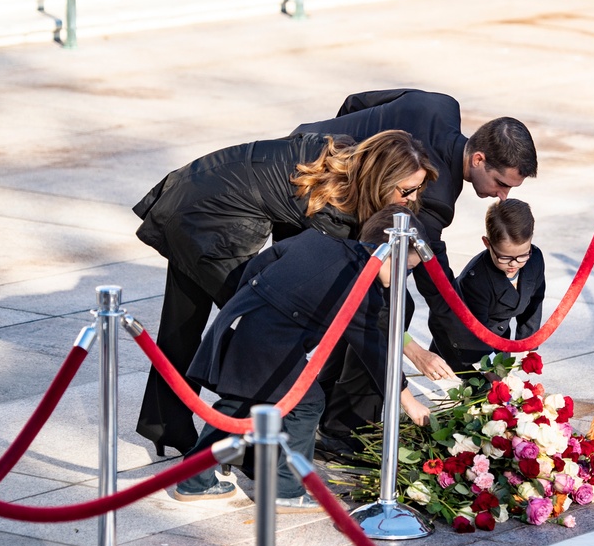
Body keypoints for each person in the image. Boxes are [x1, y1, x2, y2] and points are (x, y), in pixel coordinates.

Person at [132, 130, 437, 456]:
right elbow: (361, 311)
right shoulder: (335, 205)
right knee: (266, 331)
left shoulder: (349, 160)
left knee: (185, 324)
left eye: (419, 188)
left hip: (194, 194)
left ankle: (165, 423)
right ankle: (230, 445)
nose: (413, 199)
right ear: (380, 180)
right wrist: (405, 378)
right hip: (209, 220)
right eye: (406, 190)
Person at [174, 206, 432, 511]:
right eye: (406, 268)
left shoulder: (319, 241)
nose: (407, 276)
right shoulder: (361, 288)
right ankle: (285, 489)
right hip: (272, 339)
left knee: (240, 404)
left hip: (250, 319)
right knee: (306, 403)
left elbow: (260, 264)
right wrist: (409, 400)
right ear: (384, 252)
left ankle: (193, 480)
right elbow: (373, 351)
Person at [290, 89, 538, 374]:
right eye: (500, 183)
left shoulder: (441, 105)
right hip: (306, 196)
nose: (503, 196)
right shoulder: (435, 197)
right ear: (478, 159)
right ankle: (343, 410)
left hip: (300, 144)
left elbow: (355, 103)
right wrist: (475, 350)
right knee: (388, 307)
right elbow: (435, 281)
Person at [430, 199, 546, 373]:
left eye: (522, 255)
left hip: (498, 333)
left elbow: (534, 303)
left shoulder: (534, 259)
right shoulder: (476, 280)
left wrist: (527, 346)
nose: (514, 263)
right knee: (483, 387)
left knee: (505, 386)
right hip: (463, 339)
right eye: (505, 257)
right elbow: (477, 331)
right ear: (487, 243)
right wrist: (491, 371)